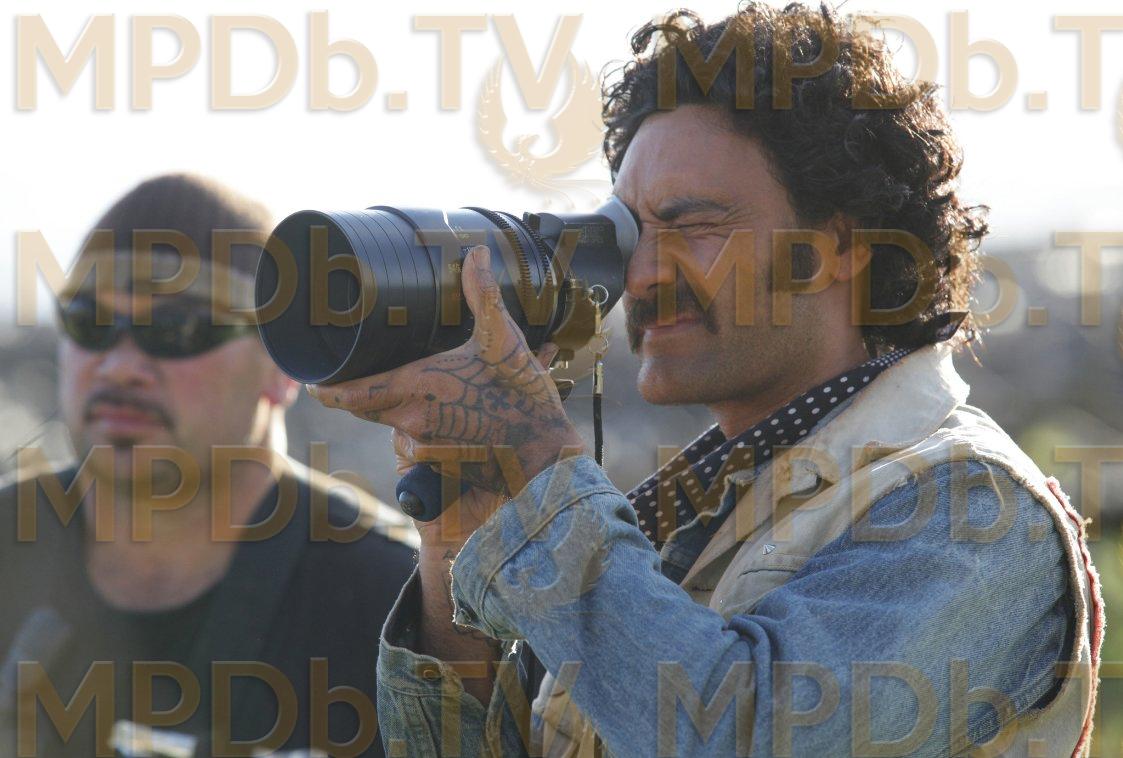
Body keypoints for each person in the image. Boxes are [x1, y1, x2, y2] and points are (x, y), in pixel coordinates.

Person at [306, 5, 1103, 756]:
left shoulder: (970, 509)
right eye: (628, 233)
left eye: (692, 225)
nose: (641, 275)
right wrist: (462, 542)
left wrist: (534, 458)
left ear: (840, 247)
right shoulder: (679, 514)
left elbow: (737, 735)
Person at [0, 173, 417, 757]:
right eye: (89, 322)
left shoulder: (398, 607)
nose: (119, 367)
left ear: (283, 363)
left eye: (178, 329)